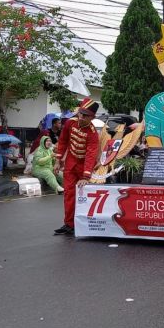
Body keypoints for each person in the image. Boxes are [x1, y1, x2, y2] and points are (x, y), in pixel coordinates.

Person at [53, 98, 99, 236]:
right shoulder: (70, 123)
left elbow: (91, 155)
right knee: (69, 194)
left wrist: (86, 176)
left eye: (85, 115)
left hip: (84, 166)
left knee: (84, 196)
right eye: (80, 113)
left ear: (92, 117)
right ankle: (69, 224)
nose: (81, 117)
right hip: (71, 163)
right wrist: (58, 160)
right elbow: (63, 141)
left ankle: (85, 223)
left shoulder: (92, 133)